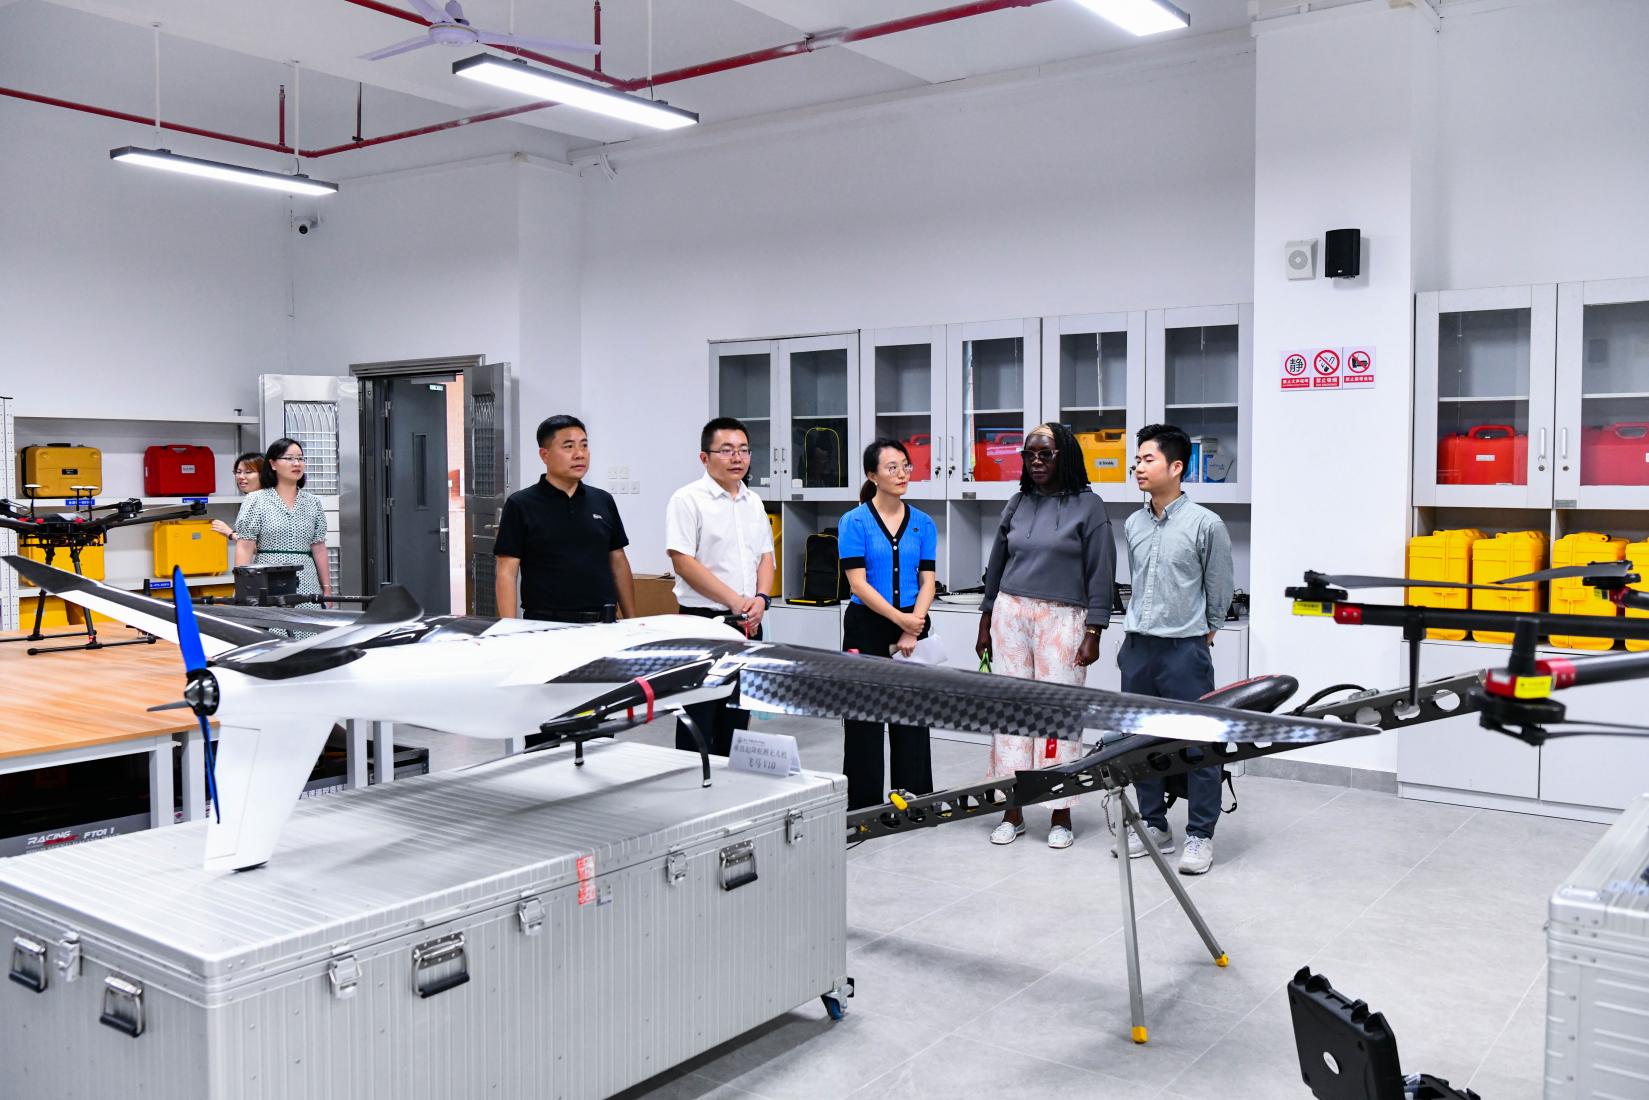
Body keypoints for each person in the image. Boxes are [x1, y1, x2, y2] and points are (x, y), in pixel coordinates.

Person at [976, 422, 1116, 849]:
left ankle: (1060, 813)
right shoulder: (1018, 502)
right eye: (1029, 455)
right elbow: (996, 567)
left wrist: (1094, 630)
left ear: (1065, 457)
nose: (1036, 462)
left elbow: (1101, 572)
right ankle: (1012, 810)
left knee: (1058, 716)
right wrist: (985, 622)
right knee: (1011, 715)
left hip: (1063, 619)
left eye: (1045, 454)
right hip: (1011, 614)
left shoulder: (1089, 507)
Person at [1118, 424, 1234, 875]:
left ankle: (1200, 835)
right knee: (1140, 743)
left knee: (1199, 745)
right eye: (1137, 460)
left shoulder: (1206, 524)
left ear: (1176, 467)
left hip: (1184, 651)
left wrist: (1206, 632)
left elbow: (1219, 589)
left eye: (1148, 459)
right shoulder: (1133, 523)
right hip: (1138, 649)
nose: (1138, 467)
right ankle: (1153, 824)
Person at [665, 417, 776, 755]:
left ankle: (730, 782)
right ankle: (693, 781)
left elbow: (766, 558)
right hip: (703, 622)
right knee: (698, 717)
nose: (737, 458)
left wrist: (761, 599)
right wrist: (736, 601)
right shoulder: (687, 499)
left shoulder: (753, 502)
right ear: (704, 457)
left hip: (748, 623)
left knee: (737, 714)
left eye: (743, 450)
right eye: (726, 450)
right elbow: (683, 562)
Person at [838, 438, 938, 811]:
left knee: (912, 717)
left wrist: (913, 627)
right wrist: (901, 622)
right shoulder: (854, 521)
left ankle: (912, 802)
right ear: (872, 475)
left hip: (914, 621)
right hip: (867, 626)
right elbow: (858, 584)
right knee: (863, 719)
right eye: (891, 467)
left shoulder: (924, 523)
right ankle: (863, 806)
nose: (901, 474)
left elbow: (928, 581)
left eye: (905, 466)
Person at [494, 415, 636, 623]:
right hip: (545, 623)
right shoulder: (521, 504)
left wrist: (632, 620)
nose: (579, 454)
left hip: (603, 622)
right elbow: (506, 571)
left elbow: (618, 562)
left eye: (584, 445)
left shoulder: (602, 500)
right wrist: (509, 627)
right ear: (544, 455)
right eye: (568, 447)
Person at [233, 439, 330, 602]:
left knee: (307, 618)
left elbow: (319, 547)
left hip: (307, 582)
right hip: (267, 580)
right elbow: (245, 546)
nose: (296, 463)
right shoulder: (256, 499)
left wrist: (327, 587)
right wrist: (241, 588)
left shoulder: (313, 502)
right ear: (273, 464)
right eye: (289, 458)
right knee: (272, 618)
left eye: (300, 458)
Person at [210, 452, 265, 540]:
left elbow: (251, 543)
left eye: (248, 472)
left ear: (265, 474)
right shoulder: (273, 496)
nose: (240, 477)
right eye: (238, 472)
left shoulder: (255, 499)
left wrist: (229, 533)